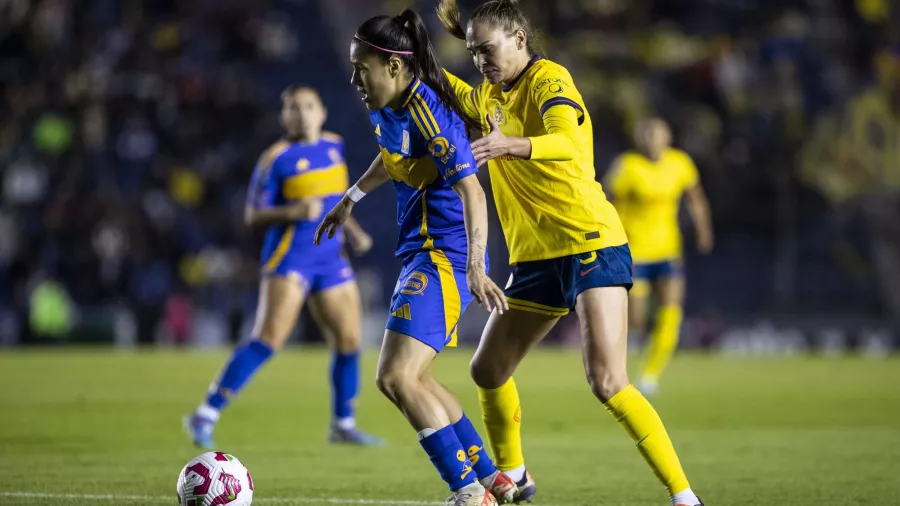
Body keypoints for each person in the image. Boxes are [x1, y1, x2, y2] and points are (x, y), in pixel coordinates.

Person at [437, 1, 705, 504]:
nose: (479, 61)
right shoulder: (491, 94)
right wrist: (417, 49)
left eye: (487, 49)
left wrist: (509, 145)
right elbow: (451, 89)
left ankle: (684, 497)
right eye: (472, 52)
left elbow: (564, 139)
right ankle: (515, 476)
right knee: (487, 370)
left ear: (520, 37)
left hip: (590, 244)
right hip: (535, 258)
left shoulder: (549, 79)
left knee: (607, 381)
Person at [315, 9, 519, 506]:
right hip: (420, 256)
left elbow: (474, 192)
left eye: (362, 68)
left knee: (395, 377)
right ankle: (494, 479)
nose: (354, 79)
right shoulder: (386, 104)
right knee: (416, 379)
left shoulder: (428, 109)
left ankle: (469, 492)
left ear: (393, 67)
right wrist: (350, 200)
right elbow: (393, 158)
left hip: (444, 257)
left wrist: (474, 265)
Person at [184, 85, 382, 449]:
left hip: (330, 257)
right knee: (268, 340)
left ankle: (343, 423)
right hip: (290, 258)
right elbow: (252, 215)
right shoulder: (275, 158)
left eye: (309, 106)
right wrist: (293, 211)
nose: (302, 113)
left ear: (322, 112)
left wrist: (353, 231)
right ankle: (205, 413)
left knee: (350, 340)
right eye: (293, 107)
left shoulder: (334, 145)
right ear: (283, 116)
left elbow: (334, 197)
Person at [606, 118, 714, 395]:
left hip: (668, 250)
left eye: (659, 136)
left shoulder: (679, 163)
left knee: (671, 309)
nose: (654, 142)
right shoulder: (628, 166)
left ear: (667, 139)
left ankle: (651, 374)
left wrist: (703, 229)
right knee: (638, 317)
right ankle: (618, 361)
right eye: (649, 136)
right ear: (640, 139)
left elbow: (695, 197)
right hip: (635, 252)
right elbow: (607, 202)